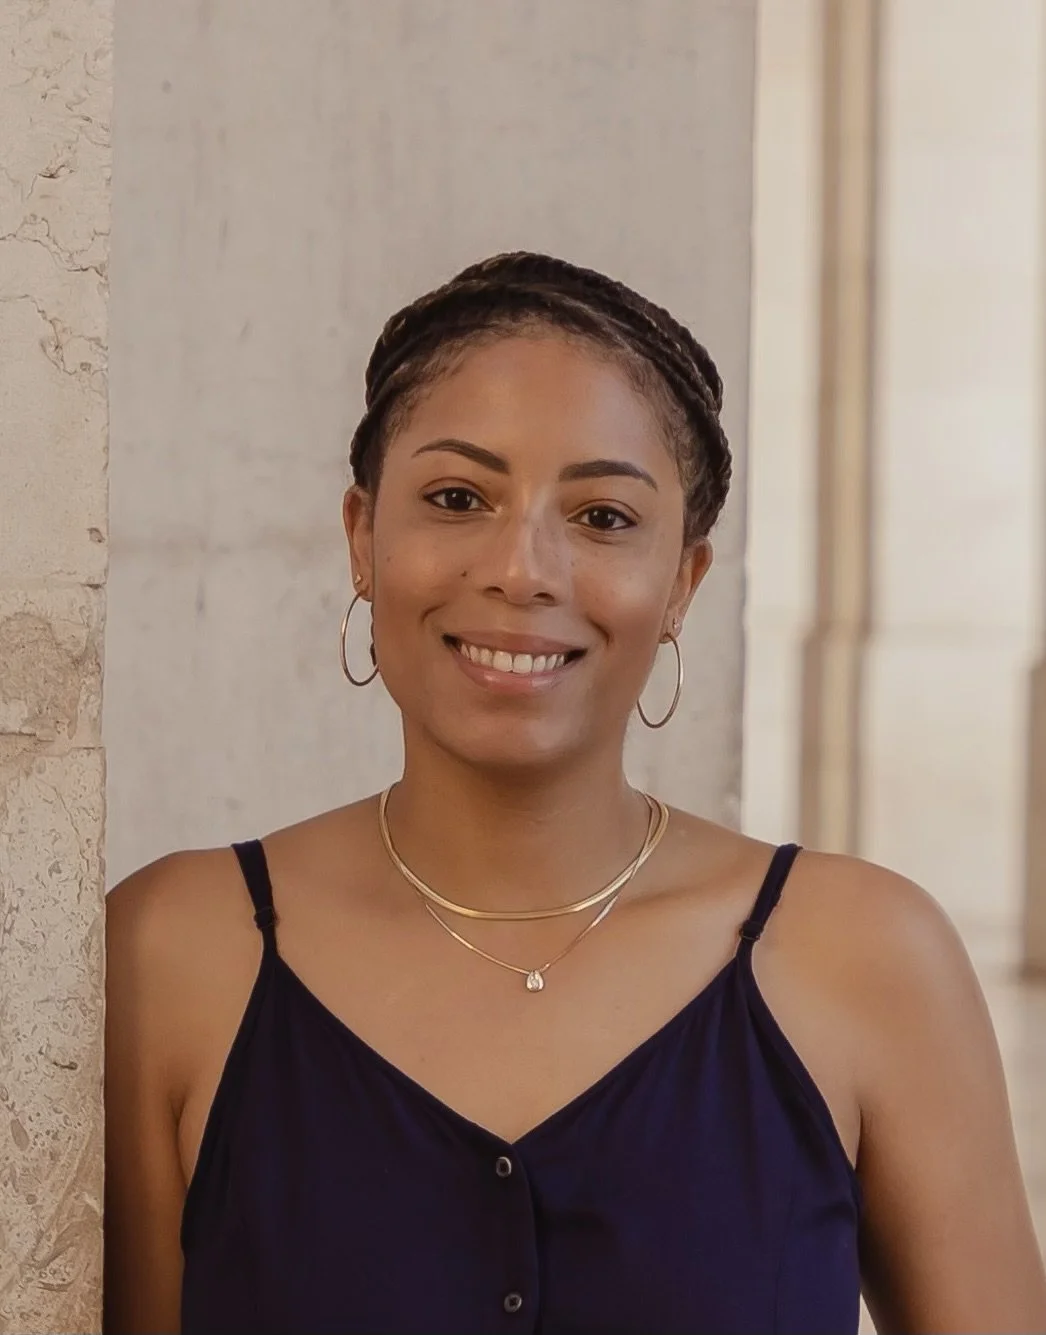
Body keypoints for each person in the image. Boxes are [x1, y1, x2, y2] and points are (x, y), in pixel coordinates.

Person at [103, 252, 1046, 1335]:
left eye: (602, 518)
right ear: (363, 539)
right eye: (457, 498)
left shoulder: (862, 958)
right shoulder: (176, 953)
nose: (522, 570)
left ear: (682, 583)